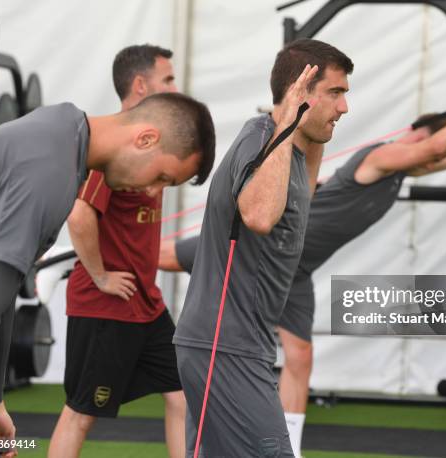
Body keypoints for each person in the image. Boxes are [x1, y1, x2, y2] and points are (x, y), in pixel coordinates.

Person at [160, 83, 446, 457]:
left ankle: (292, 447)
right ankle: (119, 254)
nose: (434, 159)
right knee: (165, 256)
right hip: (267, 249)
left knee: (300, 359)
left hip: (296, 270)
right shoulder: (377, 157)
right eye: (432, 144)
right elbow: (438, 148)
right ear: (416, 134)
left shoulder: (399, 173)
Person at [0, 56, 216, 457]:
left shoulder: (65, 129)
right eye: (161, 177)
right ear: (146, 139)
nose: (155, 191)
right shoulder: (50, 172)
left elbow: (1, 295)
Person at [173, 39, 353, 457]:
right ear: (299, 92)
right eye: (335, 93)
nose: (344, 107)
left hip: (237, 343)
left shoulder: (290, 153)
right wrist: (290, 120)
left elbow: (300, 197)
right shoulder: (262, 140)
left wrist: (312, 126)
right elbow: (257, 215)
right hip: (225, 346)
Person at [48, 44, 194, 458]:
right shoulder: (109, 144)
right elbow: (80, 216)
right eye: (167, 79)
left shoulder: (152, 143)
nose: (174, 86)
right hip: (105, 307)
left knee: (182, 395)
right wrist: (100, 276)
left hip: (145, 304)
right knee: (80, 414)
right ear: (140, 85)